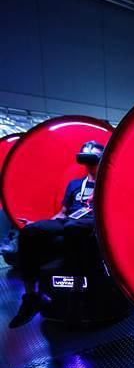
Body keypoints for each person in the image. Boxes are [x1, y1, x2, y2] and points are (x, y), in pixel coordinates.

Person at [9, 140, 105, 328]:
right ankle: (31, 298)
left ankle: (76, 297)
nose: (89, 160)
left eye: (93, 155)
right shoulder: (75, 184)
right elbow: (62, 213)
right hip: (69, 220)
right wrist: (39, 224)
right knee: (30, 232)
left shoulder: (108, 184)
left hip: (91, 223)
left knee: (73, 229)